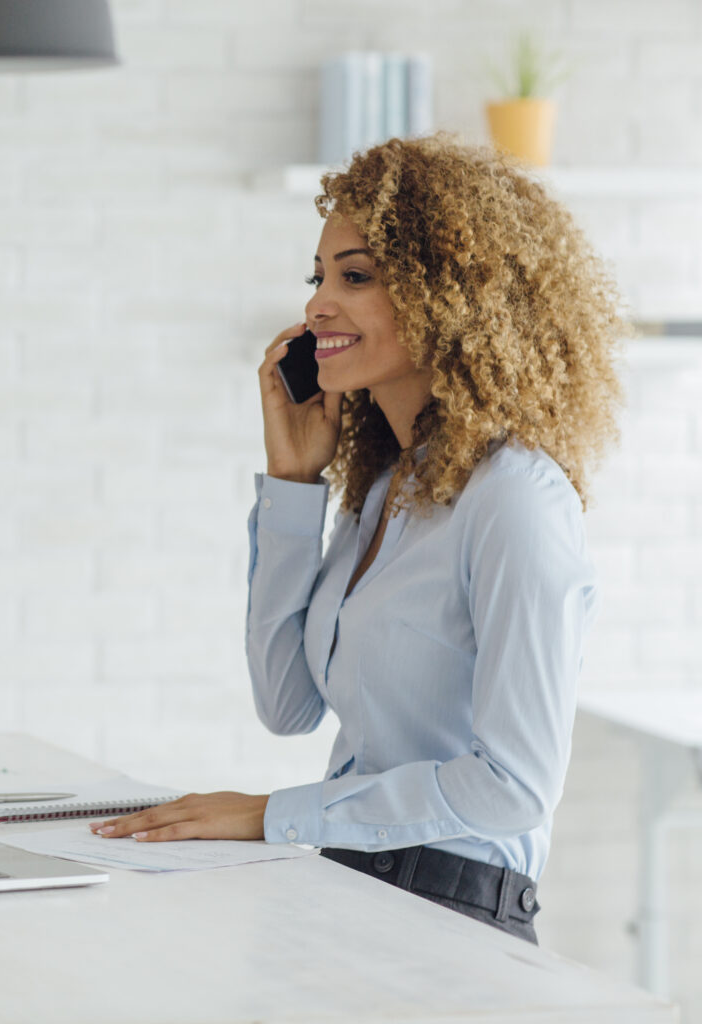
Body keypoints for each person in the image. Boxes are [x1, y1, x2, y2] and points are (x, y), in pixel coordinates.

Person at [90, 134, 625, 943]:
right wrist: (294, 485)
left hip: (455, 912)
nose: (316, 306)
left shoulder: (515, 500)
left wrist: (275, 815)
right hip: (352, 880)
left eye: (356, 276)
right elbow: (287, 705)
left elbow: (514, 789)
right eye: (319, 277)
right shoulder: (387, 491)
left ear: (447, 293)